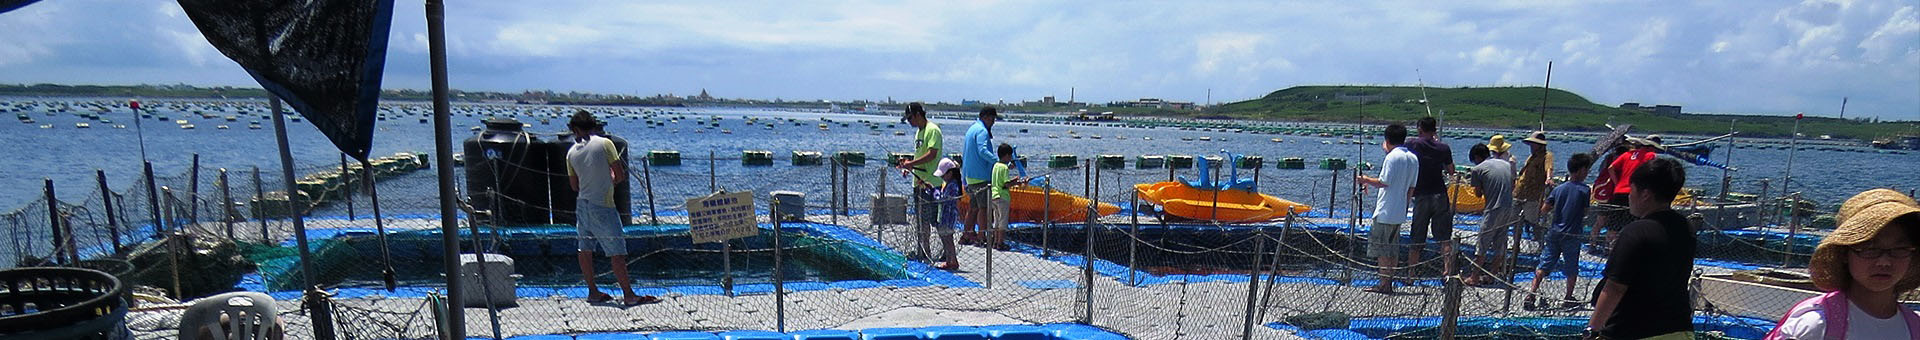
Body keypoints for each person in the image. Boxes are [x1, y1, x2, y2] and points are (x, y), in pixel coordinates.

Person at [1766, 189, 1920, 339]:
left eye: (1899, 249)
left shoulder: (1914, 327)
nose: (1885, 262)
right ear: (1845, 254)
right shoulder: (1817, 324)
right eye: (1870, 249)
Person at [1587, 157, 1694, 339]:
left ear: (1645, 194)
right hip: (1679, 328)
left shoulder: (1635, 231)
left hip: (1633, 330)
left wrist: (1592, 330)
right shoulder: (1686, 227)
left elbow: (1615, 287)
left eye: (1632, 189)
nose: (1629, 195)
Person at [564, 110, 655, 306]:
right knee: (616, 252)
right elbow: (619, 174)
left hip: (582, 204)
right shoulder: (605, 144)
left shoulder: (571, 152)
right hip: (603, 205)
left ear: (577, 129)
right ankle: (628, 294)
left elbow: (574, 186)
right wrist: (610, 181)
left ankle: (593, 291)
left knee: (585, 249)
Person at [1526, 153, 1594, 310]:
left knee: (1544, 265)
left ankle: (1531, 293)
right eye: (1586, 170)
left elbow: (1544, 209)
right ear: (1581, 170)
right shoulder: (1584, 190)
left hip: (1554, 232)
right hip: (1572, 234)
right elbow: (1585, 212)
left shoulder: (1559, 189)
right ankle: (1568, 297)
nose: (1587, 173)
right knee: (1571, 267)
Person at [1355, 123, 1418, 294]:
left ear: (1387, 139)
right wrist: (1404, 207)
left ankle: (1384, 284)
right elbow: (1411, 188)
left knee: (1382, 249)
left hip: (1385, 211)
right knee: (1393, 248)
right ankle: (1389, 280)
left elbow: (1384, 181)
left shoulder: (1392, 157)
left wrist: (1365, 180)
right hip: (1399, 212)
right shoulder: (1413, 158)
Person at [1402, 117, 1455, 276]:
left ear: (1419, 129)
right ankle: (1448, 271)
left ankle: (1411, 273)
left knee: (1417, 236)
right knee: (1444, 236)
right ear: (1434, 129)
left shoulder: (1412, 144)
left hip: (1421, 195)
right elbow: (1451, 170)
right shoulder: (1444, 148)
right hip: (1440, 193)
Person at [896, 103, 944, 263]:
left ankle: (947, 252)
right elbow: (920, 155)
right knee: (921, 221)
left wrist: (912, 163)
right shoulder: (919, 133)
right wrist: (908, 166)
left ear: (918, 114)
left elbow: (932, 154)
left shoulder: (933, 130)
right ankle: (924, 251)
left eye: (910, 118)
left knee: (935, 221)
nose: (909, 122)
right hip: (918, 183)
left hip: (932, 183)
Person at [1592, 137, 1659, 252]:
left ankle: (1609, 248)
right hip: (1634, 192)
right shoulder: (1650, 155)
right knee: (1632, 221)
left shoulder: (1627, 154)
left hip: (1618, 191)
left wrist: (1617, 183)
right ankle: (1627, 249)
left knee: (1614, 223)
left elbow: (1611, 168)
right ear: (1650, 147)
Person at [1465, 143, 1514, 286]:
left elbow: (1478, 193)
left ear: (1477, 157)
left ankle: (1474, 277)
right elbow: (1512, 184)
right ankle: (1492, 275)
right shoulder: (1505, 164)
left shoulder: (1478, 169)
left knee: (1482, 242)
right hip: (1508, 207)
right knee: (1499, 242)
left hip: (1493, 209)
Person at [961, 107, 1000, 246]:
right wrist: (998, 162)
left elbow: (965, 153)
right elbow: (983, 150)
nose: (993, 122)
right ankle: (981, 236)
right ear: (987, 117)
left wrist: (963, 177)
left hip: (970, 177)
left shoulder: (972, 129)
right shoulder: (982, 131)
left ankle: (966, 234)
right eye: (992, 119)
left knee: (973, 208)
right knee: (984, 208)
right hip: (982, 177)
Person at [1514, 131, 1554, 244]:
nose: (1531, 146)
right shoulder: (1531, 157)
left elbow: (1549, 168)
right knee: (1514, 220)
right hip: (1519, 192)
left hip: (1532, 194)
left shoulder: (1547, 156)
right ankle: (1516, 243)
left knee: (1533, 220)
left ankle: (1539, 242)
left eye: (1534, 144)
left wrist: (1549, 178)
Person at [929, 158, 964, 270]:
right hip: (944, 216)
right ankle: (949, 260)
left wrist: (933, 191)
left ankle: (953, 261)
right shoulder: (948, 184)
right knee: (945, 238)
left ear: (950, 173)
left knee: (948, 239)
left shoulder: (953, 185)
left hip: (948, 217)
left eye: (943, 175)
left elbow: (943, 199)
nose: (942, 177)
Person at [988, 142, 1022, 250]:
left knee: (996, 221)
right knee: (1003, 221)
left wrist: (1014, 180)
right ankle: (1000, 243)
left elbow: (1000, 182)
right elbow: (1006, 184)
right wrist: (1016, 182)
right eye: (1010, 156)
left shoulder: (996, 166)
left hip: (994, 196)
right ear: (1007, 156)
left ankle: (995, 242)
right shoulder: (1005, 168)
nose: (1011, 158)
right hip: (1003, 197)